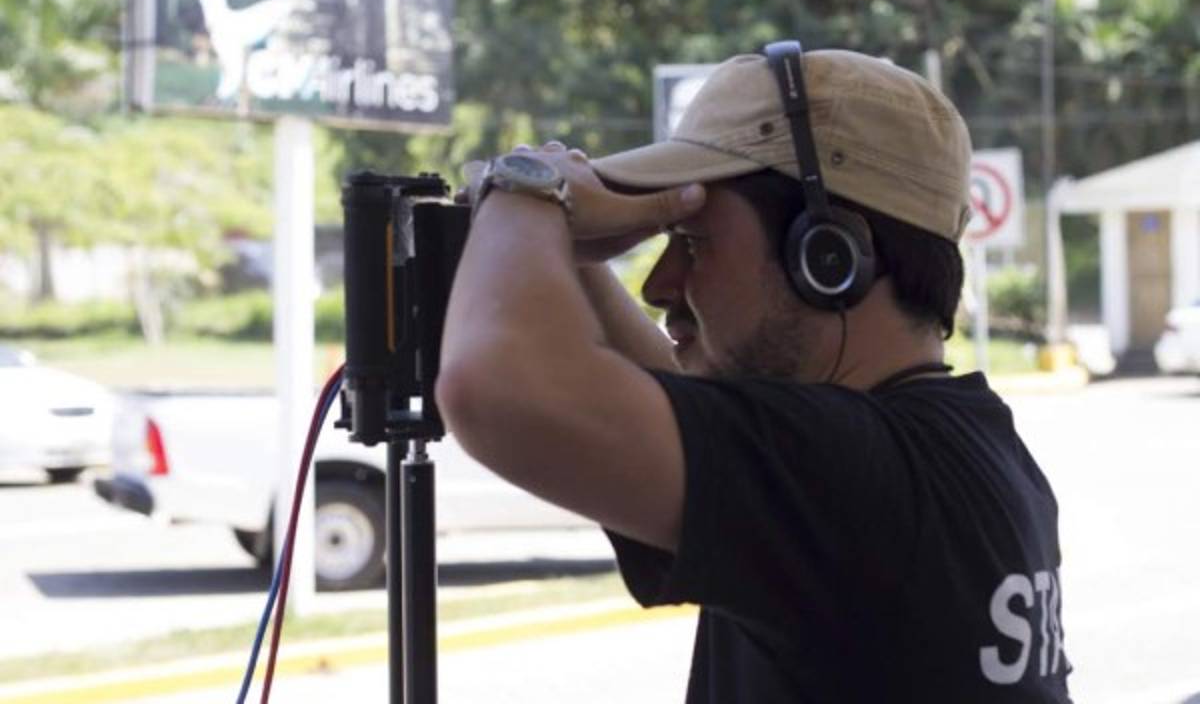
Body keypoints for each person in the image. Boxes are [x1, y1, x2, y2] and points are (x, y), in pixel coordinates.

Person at [436, 42, 1071, 702]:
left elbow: (497, 387)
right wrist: (563, 241)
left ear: (827, 256)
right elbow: (672, 401)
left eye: (694, 241)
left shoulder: (848, 476)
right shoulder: (960, 448)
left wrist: (524, 191)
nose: (660, 284)